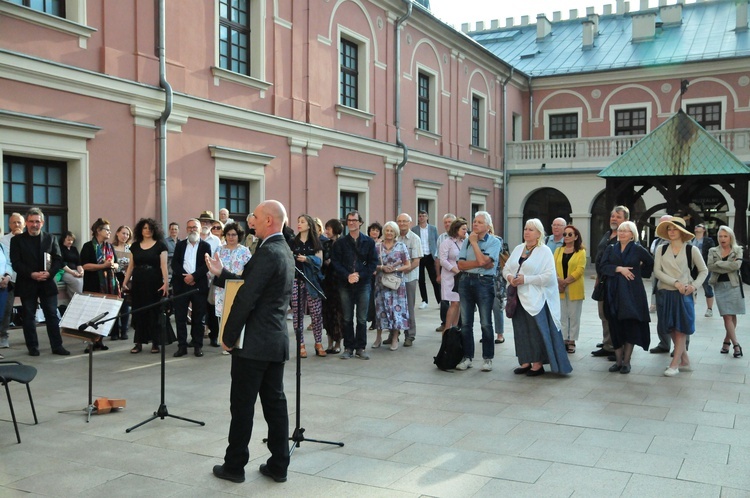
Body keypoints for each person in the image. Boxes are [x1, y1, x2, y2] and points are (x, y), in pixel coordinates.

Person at [208, 200, 294, 485]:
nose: (250, 220)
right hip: (275, 340)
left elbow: (247, 298)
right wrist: (222, 276)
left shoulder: (267, 252)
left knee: (242, 406)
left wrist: (228, 336)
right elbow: (251, 285)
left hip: (254, 344)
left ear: (269, 220)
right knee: (275, 404)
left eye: (255, 216)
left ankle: (234, 466)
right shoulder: (284, 250)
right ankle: (279, 465)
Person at [503, 218, 571, 377]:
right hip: (517, 297)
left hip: (537, 299)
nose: (526, 232)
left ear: (539, 233)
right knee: (520, 330)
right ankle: (525, 361)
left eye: (531, 229)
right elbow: (506, 268)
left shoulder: (544, 251)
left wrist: (526, 279)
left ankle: (538, 364)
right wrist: (510, 278)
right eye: (526, 229)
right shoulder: (518, 248)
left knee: (536, 331)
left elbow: (549, 276)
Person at [10, 207, 70, 356]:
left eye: (37, 221)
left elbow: (58, 260)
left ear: (42, 223)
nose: (34, 224)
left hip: (47, 282)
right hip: (27, 282)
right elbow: (15, 262)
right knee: (29, 317)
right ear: (26, 223)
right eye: (31, 221)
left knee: (52, 315)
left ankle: (57, 346)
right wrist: (32, 274)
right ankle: (33, 348)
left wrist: (49, 273)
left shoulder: (51, 238)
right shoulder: (17, 240)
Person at [653, 216, 708, 376]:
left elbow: (704, 270)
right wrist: (675, 282)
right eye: (669, 229)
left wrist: (694, 286)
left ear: (682, 231)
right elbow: (657, 271)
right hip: (665, 292)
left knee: (681, 329)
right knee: (669, 327)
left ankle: (674, 364)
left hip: (684, 294)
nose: (671, 232)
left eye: (674, 229)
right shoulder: (661, 249)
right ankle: (685, 361)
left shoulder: (692, 249)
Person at [599, 221, 653, 374]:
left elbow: (650, 262)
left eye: (626, 231)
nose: (622, 233)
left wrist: (639, 273)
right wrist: (619, 269)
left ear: (632, 234)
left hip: (632, 293)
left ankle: (626, 362)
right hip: (613, 291)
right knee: (615, 325)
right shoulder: (611, 249)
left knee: (630, 325)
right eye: (620, 230)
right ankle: (617, 361)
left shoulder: (637, 249)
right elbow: (603, 267)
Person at [456, 211, 502, 372]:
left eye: (479, 222)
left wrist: (475, 244)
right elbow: (460, 265)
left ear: (488, 227)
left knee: (485, 323)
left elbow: (487, 263)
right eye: (474, 221)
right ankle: (467, 357)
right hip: (465, 281)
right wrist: (479, 262)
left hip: (484, 282)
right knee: (466, 323)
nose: (475, 224)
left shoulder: (494, 242)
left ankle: (487, 358)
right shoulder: (466, 241)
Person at [331, 211, 378, 360]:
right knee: (347, 317)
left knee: (362, 318)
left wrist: (359, 275)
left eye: (354, 220)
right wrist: (347, 276)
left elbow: (373, 263)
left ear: (360, 222)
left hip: (363, 283)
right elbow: (335, 263)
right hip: (345, 284)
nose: (351, 223)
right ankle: (348, 347)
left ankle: (361, 347)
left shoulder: (369, 242)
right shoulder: (340, 243)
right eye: (349, 220)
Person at [122, 218, 169, 354]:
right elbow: (131, 266)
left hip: (154, 282)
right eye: (144, 228)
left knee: (153, 312)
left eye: (150, 228)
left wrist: (166, 283)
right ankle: (138, 343)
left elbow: (164, 266)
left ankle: (155, 343)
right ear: (140, 230)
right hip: (138, 282)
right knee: (139, 311)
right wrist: (125, 282)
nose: (147, 230)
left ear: (154, 230)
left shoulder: (161, 245)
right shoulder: (135, 246)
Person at [591, 205, 630, 359]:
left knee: (617, 315)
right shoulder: (607, 234)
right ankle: (608, 344)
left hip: (617, 283)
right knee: (604, 314)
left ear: (626, 220)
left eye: (618, 216)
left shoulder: (626, 238)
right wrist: (598, 278)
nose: (614, 219)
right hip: (603, 281)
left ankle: (619, 347)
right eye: (612, 216)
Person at [171, 218, 212, 357]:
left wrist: (193, 276)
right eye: (189, 227)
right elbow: (175, 264)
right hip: (181, 285)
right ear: (186, 230)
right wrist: (185, 277)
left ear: (200, 229)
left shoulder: (205, 246)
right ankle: (182, 346)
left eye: (195, 227)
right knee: (180, 317)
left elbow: (207, 265)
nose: (192, 230)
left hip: (198, 286)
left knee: (198, 318)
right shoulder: (180, 245)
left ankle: (197, 345)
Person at [80, 218, 121, 352]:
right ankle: (90, 342)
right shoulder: (88, 246)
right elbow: (85, 266)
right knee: (92, 314)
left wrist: (113, 265)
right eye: (107, 230)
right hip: (93, 284)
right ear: (98, 230)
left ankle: (100, 341)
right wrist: (103, 265)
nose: (109, 232)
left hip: (109, 284)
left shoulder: (109, 247)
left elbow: (117, 264)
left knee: (105, 314)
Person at [289, 214, 325, 357]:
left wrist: (307, 259)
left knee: (316, 313)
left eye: (302, 222)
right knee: (298, 314)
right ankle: (301, 344)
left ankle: (318, 342)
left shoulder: (315, 242)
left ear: (309, 225)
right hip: (296, 280)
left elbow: (319, 261)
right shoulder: (293, 242)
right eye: (298, 222)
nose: (299, 224)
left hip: (311, 281)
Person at [212, 223, 251, 354]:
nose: (231, 237)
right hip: (222, 287)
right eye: (228, 234)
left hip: (238, 286)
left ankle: (237, 340)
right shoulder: (219, 249)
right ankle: (225, 342)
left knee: (237, 312)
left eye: (233, 234)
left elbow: (249, 269)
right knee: (223, 314)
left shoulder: (244, 250)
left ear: (238, 236)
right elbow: (213, 267)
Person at [707, 225, 744, 358]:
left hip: (733, 285)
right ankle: (736, 344)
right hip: (719, 286)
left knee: (732, 315)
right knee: (726, 316)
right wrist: (726, 265)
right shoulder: (713, 250)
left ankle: (726, 342)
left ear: (730, 237)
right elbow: (711, 266)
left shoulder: (738, 250)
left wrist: (719, 264)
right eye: (720, 236)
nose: (722, 239)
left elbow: (736, 266)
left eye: (725, 236)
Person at [373, 221, 410, 350]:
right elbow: (372, 264)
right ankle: (378, 338)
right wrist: (382, 267)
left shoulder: (401, 246)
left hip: (396, 285)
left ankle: (394, 338)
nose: (389, 233)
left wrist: (395, 270)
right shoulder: (377, 246)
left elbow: (408, 264)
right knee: (380, 310)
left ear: (396, 233)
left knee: (396, 311)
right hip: (381, 283)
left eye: (391, 231)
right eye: (387, 230)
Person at [554, 224, 586, 354]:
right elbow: (552, 267)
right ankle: (563, 339)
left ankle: (572, 340)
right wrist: (559, 281)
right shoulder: (558, 251)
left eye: (570, 234)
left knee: (574, 315)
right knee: (562, 315)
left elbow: (580, 270)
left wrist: (565, 282)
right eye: (565, 234)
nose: (566, 236)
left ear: (576, 237)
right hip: (559, 287)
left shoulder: (581, 252)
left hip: (574, 287)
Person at [392, 213, 422, 347]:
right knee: (393, 306)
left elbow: (416, 261)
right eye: (400, 221)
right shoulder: (394, 237)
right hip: (393, 278)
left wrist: (401, 271)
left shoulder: (415, 239)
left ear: (410, 223)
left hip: (409, 278)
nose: (402, 224)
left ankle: (410, 335)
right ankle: (393, 334)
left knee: (409, 307)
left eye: (405, 221)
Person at [0, 213, 24, 349]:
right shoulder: (4, 241)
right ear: (9, 225)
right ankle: (3, 335)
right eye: (13, 222)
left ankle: (29, 337)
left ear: (24, 224)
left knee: (28, 310)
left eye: (19, 222)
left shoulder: (29, 239)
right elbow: (8, 261)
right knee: (6, 309)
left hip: (27, 279)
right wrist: (7, 276)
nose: (16, 225)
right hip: (10, 280)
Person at [439, 218, 467, 330]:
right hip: (450, 276)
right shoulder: (447, 242)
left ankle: (455, 329)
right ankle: (446, 329)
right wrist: (455, 270)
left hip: (462, 276)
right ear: (456, 229)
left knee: (458, 302)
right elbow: (443, 260)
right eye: (463, 229)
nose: (466, 231)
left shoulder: (465, 242)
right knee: (454, 302)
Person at [321, 218, 344, 353]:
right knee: (327, 312)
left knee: (338, 313)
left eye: (328, 229)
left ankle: (338, 342)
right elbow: (322, 259)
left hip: (339, 282)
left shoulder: (343, 243)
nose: (326, 232)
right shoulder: (326, 244)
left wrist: (332, 263)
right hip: (327, 282)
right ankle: (329, 341)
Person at [412, 210, 440, 310]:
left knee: (434, 279)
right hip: (419, 256)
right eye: (420, 216)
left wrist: (437, 255)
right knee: (421, 280)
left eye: (424, 216)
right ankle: (424, 300)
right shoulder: (414, 229)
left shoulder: (433, 229)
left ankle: (439, 300)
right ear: (418, 218)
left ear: (427, 217)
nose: (422, 218)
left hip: (430, 255)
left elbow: (437, 242)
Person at [435, 213, 457, 332]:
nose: (447, 224)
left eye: (450, 222)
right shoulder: (441, 238)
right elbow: (438, 258)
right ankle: (445, 323)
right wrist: (438, 274)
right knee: (444, 300)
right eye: (445, 222)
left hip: (459, 274)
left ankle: (457, 325)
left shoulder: (463, 236)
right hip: (446, 274)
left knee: (457, 301)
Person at [112, 225, 132, 340]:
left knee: (125, 305)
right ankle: (114, 332)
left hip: (126, 278)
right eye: (123, 233)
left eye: (127, 234)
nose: (125, 236)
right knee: (114, 305)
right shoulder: (111, 247)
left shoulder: (130, 249)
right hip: (114, 277)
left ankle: (124, 330)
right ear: (117, 233)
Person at [693, 223, 716, 317]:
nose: (697, 227)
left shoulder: (708, 241)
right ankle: (691, 307)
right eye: (696, 226)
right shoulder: (690, 240)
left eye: (699, 226)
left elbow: (713, 253)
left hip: (704, 267)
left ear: (704, 230)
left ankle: (709, 309)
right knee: (692, 287)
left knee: (707, 287)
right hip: (693, 268)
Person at [366, 222, 383, 331]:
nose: (374, 232)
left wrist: (377, 268)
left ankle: (378, 320)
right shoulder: (365, 242)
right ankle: (372, 320)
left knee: (378, 298)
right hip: (368, 273)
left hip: (379, 273)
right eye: (373, 230)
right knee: (370, 298)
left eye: (377, 230)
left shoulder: (382, 243)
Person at [58, 230, 84, 300]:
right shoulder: (60, 249)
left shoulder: (74, 249)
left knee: (81, 280)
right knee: (77, 281)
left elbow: (78, 263)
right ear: (63, 239)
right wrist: (73, 272)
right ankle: (77, 301)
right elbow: (61, 263)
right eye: (68, 240)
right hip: (65, 271)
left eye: (72, 240)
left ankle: (77, 299)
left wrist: (81, 271)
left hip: (75, 271)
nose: (71, 242)